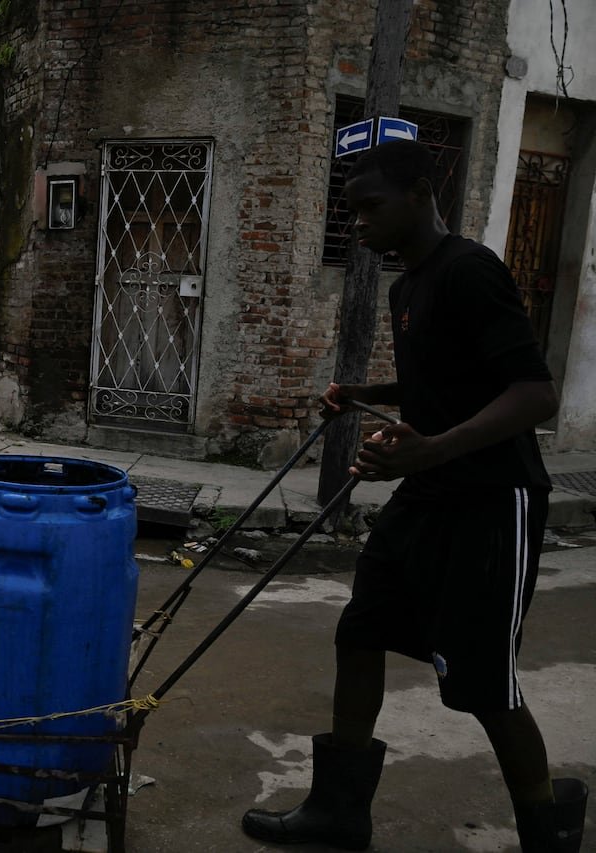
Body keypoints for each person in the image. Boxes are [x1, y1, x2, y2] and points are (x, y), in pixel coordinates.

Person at [240, 139, 587, 852]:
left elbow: (533, 392)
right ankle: (339, 812)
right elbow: (446, 379)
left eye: (370, 207)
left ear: (421, 196)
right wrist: (368, 394)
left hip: (494, 499)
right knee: (360, 629)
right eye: (351, 211)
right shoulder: (408, 288)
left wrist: (430, 448)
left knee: (484, 684)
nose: (358, 223)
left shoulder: (470, 270)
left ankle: (546, 829)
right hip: (428, 494)